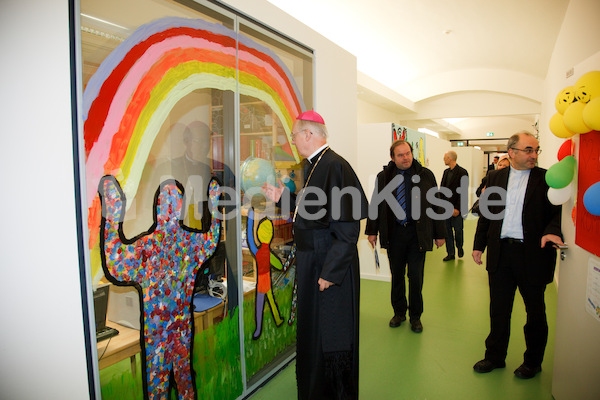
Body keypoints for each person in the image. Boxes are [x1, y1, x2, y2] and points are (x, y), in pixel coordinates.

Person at [262, 110, 368, 400]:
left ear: (308, 134)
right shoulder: (313, 166)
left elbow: (347, 230)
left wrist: (330, 273)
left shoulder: (335, 166)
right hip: (313, 263)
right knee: (314, 335)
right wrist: (282, 198)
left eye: (295, 136)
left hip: (328, 266)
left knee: (331, 337)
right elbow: (312, 212)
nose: (294, 142)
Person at [472, 131, 564, 379]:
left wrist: (553, 232)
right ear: (512, 152)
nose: (534, 155)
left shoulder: (546, 179)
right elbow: (487, 214)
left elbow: (559, 212)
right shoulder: (495, 177)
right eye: (529, 150)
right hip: (501, 253)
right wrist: (478, 245)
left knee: (535, 311)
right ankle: (494, 356)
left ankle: (532, 362)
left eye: (536, 150)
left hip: (532, 254)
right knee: (499, 309)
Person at [365, 140, 446, 333]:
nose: (406, 158)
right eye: (400, 155)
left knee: (416, 278)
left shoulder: (425, 175)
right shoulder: (384, 176)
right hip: (394, 234)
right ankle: (399, 312)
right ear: (392, 158)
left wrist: (440, 233)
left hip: (417, 234)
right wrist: (371, 231)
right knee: (397, 276)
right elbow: (376, 203)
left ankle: (416, 316)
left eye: (408, 153)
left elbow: (437, 205)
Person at [440, 151, 469, 261]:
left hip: (457, 209)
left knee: (458, 231)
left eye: (445, 157)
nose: (444, 160)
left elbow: (463, 192)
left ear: (450, 158)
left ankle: (459, 246)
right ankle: (450, 253)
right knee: (447, 232)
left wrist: (457, 208)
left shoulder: (462, 172)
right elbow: (442, 189)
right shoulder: (446, 172)